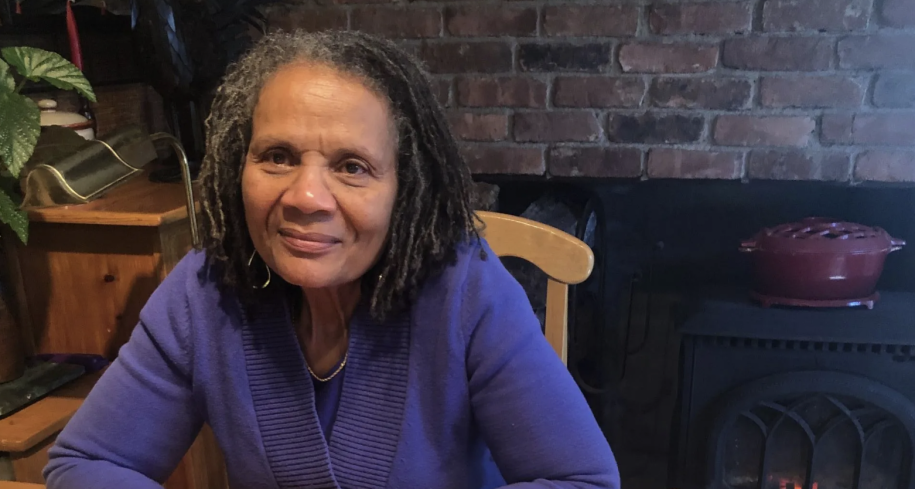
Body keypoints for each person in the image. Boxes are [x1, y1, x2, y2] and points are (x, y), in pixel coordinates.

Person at [43, 30, 620, 489]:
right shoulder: (204, 293)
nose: (305, 197)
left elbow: (581, 479)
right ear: (234, 169)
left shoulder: (466, 292)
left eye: (352, 167)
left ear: (405, 188)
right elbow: (86, 461)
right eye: (276, 156)